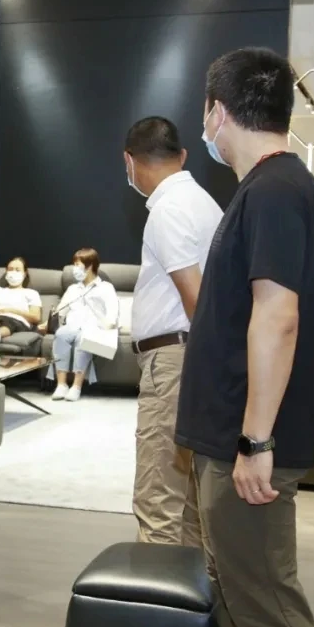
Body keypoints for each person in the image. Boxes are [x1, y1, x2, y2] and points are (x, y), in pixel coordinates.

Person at [175, 47, 314, 627]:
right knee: (238, 598)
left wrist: (256, 442)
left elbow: (277, 317)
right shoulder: (268, 187)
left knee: (267, 611)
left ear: (217, 111)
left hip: (246, 440)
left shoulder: (276, 190)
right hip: (228, 436)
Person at [124, 116, 222, 548]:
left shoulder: (168, 210)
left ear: (129, 161)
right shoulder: (205, 203)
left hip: (175, 361)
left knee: (158, 498)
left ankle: (159, 590)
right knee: (190, 503)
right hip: (194, 358)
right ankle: (197, 588)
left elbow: (196, 298)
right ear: (182, 155)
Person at [50, 248, 119, 402]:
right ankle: (61, 385)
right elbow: (61, 311)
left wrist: (109, 325)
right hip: (72, 326)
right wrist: (50, 320)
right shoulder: (73, 289)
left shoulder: (105, 288)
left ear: (90, 266)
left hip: (95, 329)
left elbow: (113, 312)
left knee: (84, 337)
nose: (74, 269)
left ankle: (76, 386)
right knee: (60, 334)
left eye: (77, 265)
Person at [0, 256, 42, 338]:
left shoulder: (31, 293)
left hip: (17, 321)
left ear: (25, 273)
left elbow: (36, 317)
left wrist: (11, 311)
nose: (13, 272)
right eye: (10, 269)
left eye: (17, 270)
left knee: (8, 323)